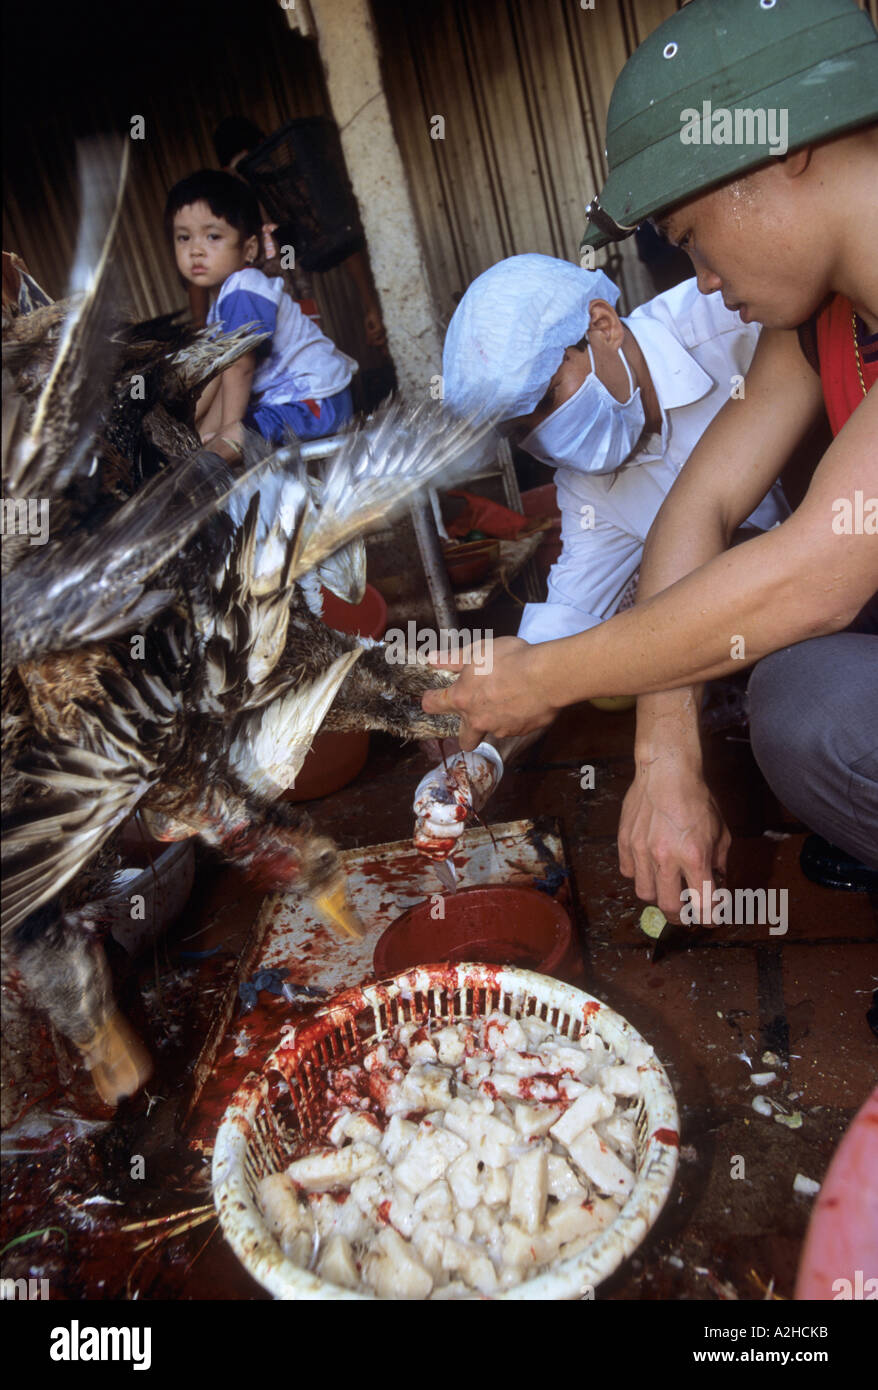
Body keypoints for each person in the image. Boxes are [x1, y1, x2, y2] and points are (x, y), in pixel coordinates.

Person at [421, 0, 878, 920]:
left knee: (805, 683)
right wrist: (663, 747)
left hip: (838, 587)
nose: (702, 277)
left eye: (690, 237)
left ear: (784, 146)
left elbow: (816, 574)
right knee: (802, 700)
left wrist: (544, 679)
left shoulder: (744, 317)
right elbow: (695, 510)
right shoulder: (821, 316)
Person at [413, 252, 790, 858]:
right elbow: (570, 617)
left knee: (791, 707)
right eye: (519, 429)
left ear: (602, 324)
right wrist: (481, 750)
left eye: (548, 395)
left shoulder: (734, 325)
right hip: (794, 610)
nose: (543, 431)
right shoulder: (587, 482)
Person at [165, 170, 357, 461]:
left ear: (250, 249)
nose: (195, 250)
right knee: (208, 442)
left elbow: (240, 364)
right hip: (289, 402)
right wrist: (197, 431)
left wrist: (227, 430)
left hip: (316, 401)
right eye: (183, 238)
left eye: (212, 236)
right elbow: (216, 377)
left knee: (228, 441)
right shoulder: (221, 304)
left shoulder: (244, 287)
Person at [211, 116, 388, 350]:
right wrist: (370, 305)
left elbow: (339, 237)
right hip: (283, 316)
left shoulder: (227, 201)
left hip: (272, 319)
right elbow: (339, 236)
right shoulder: (275, 187)